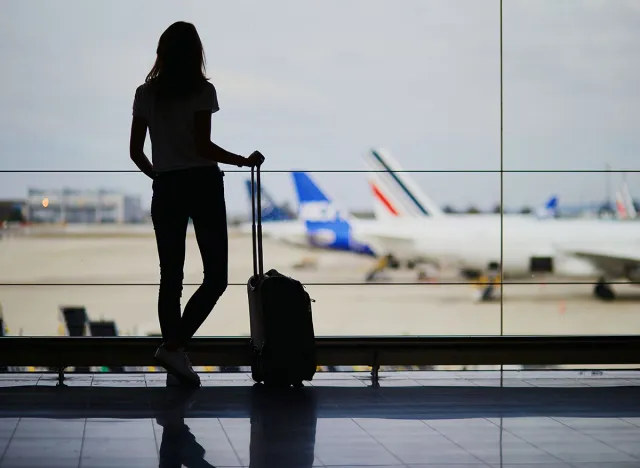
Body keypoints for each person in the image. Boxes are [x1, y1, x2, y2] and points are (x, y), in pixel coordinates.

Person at [129, 21, 264, 387]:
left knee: (170, 277)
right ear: (195, 53)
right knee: (216, 277)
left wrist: (160, 176)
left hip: (167, 186)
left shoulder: (146, 93)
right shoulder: (203, 91)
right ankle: (175, 347)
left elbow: (135, 153)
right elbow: (203, 147)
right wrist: (243, 160)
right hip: (203, 184)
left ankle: (174, 351)